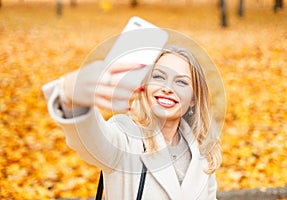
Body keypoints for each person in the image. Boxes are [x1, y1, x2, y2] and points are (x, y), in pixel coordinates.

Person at [44, 45, 222, 199]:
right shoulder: (125, 136)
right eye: (159, 77)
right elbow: (89, 139)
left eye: (181, 82)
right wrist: (70, 94)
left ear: (193, 99)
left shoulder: (202, 152)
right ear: (145, 87)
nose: (167, 88)